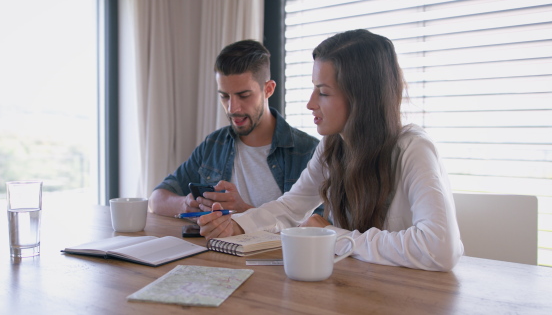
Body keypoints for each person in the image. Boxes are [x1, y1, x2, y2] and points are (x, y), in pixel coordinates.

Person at [198, 29, 464, 272]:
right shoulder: (332, 145)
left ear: (361, 97)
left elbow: (440, 248)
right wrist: (236, 224)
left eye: (323, 92)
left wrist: (334, 236)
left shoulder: (413, 148)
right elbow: (292, 206)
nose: (310, 103)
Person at [150, 40, 319, 217]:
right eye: (224, 96)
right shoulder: (214, 145)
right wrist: (185, 204)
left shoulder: (309, 152)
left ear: (268, 90)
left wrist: (244, 212)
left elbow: (319, 228)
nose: (232, 108)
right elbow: (157, 198)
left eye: (243, 95)